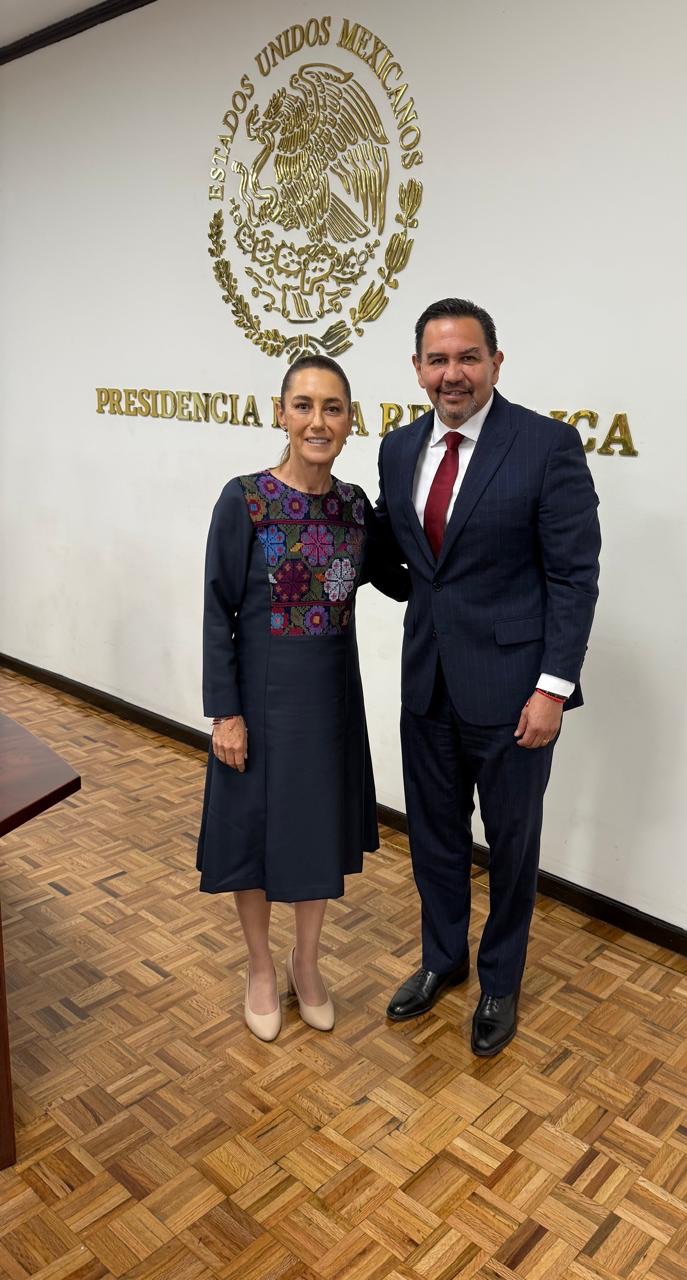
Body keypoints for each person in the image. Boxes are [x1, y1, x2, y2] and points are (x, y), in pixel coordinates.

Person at [375, 298, 601, 1055]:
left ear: (496, 363)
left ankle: (500, 980)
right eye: (437, 360)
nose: (452, 374)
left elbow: (574, 577)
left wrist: (552, 687)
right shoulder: (399, 449)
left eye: (467, 357)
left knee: (511, 844)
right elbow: (407, 562)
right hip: (427, 684)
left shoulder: (546, 446)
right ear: (416, 370)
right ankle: (444, 959)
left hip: (513, 695)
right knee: (433, 840)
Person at [198, 354, 408, 1042]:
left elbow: (403, 578)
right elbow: (217, 609)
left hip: (328, 705)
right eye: (305, 406)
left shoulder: (353, 508)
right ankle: (260, 967)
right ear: (281, 414)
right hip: (257, 703)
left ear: (351, 422)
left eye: (334, 408)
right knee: (254, 840)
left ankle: (306, 964)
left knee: (316, 836)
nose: (319, 421)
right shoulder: (245, 500)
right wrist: (223, 712)